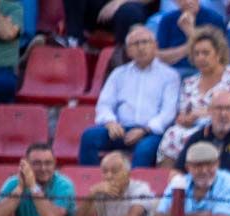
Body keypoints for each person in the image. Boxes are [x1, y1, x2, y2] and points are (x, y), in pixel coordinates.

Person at [78, 26, 181, 168]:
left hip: (151, 133)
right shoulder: (119, 74)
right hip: (120, 129)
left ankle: (134, 190)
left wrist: (145, 130)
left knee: (144, 150)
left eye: (145, 42)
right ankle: (90, 184)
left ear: (155, 46)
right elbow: (104, 104)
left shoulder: (170, 75)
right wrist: (110, 123)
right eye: (135, 44)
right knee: (89, 137)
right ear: (128, 51)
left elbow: (168, 112)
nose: (141, 47)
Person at [157, 26, 230, 165]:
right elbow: (183, 115)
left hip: (227, 127)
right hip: (195, 130)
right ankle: (171, 182)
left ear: (219, 54)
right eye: (196, 54)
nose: (200, 58)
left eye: (205, 53)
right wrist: (185, 119)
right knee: (171, 135)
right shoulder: (189, 83)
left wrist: (205, 114)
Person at [172, 90, 230, 191]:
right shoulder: (198, 137)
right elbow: (176, 172)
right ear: (209, 111)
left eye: (228, 108)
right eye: (218, 108)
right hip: (201, 196)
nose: (223, 113)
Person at [153, 141, 230, 216]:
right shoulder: (178, 182)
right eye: (198, 165)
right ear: (187, 167)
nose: (204, 171)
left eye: (209, 165)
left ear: (217, 164)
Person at [0, 143, 76, 216]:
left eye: (48, 163)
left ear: (55, 162)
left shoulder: (64, 185)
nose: (43, 168)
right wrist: (20, 188)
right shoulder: (13, 183)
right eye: (37, 163)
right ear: (26, 163)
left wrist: (33, 186)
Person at [74, 152, 157, 216]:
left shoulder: (140, 188)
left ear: (128, 174)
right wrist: (91, 195)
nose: (108, 176)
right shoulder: (100, 191)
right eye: (105, 171)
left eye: (115, 171)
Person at [158, 0, 228, 77]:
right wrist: (189, 46)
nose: (188, 1)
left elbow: (221, 53)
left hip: (205, 70)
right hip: (174, 72)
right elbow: (160, 57)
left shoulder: (215, 19)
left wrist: (190, 32)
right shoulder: (167, 20)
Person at [60, 0, 148, 49]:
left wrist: (119, 2)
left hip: (127, 6)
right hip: (98, 10)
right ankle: (74, 40)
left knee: (129, 12)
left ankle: (123, 55)